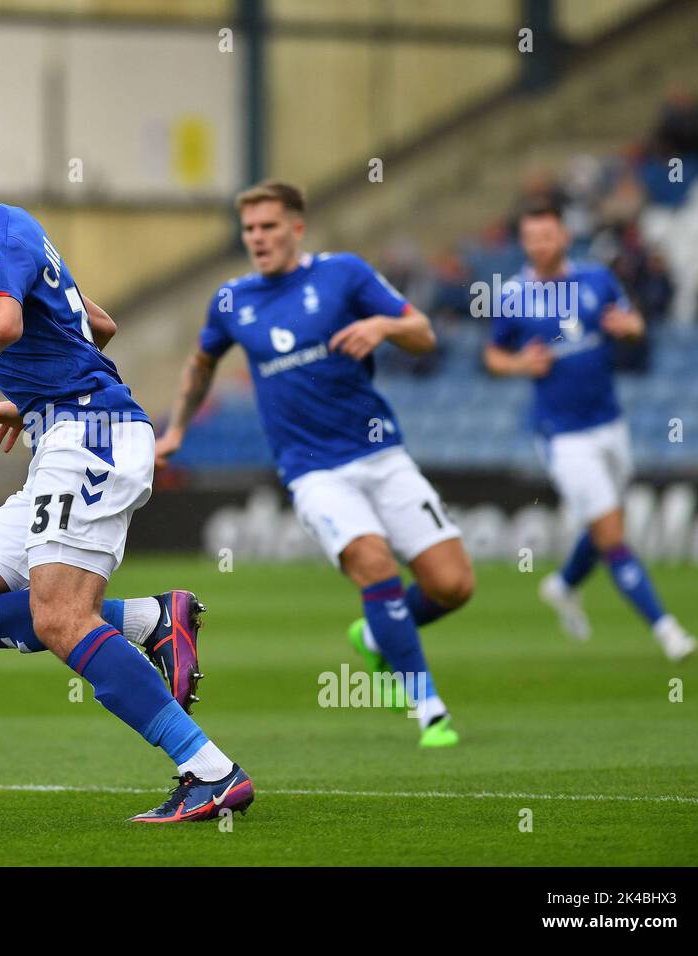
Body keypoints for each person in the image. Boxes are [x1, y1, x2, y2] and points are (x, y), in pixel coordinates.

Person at [0, 103, 253, 822]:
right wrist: (29, 397)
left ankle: (210, 772)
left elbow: (2, 324)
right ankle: (154, 621)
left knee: (62, 618)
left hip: (89, 436)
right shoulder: (9, 230)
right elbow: (97, 324)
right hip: (63, 429)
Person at [157, 180, 474, 747]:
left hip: (381, 453)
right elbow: (201, 363)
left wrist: (384, 326)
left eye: (269, 226)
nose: (258, 238)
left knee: (453, 585)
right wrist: (178, 427)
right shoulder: (232, 300)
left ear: (297, 228)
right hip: (312, 471)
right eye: (250, 229)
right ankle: (430, 710)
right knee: (375, 563)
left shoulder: (344, 274)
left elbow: (424, 334)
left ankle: (378, 637)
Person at [483, 201, 697, 661]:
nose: (541, 245)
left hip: (610, 422)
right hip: (563, 434)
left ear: (563, 236)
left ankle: (563, 585)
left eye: (548, 235)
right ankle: (667, 630)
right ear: (525, 244)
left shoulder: (597, 279)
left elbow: (635, 323)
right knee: (612, 533)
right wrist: (520, 363)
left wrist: (631, 327)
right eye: (532, 238)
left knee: (605, 523)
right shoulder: (514, 295)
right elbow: (493, 356)